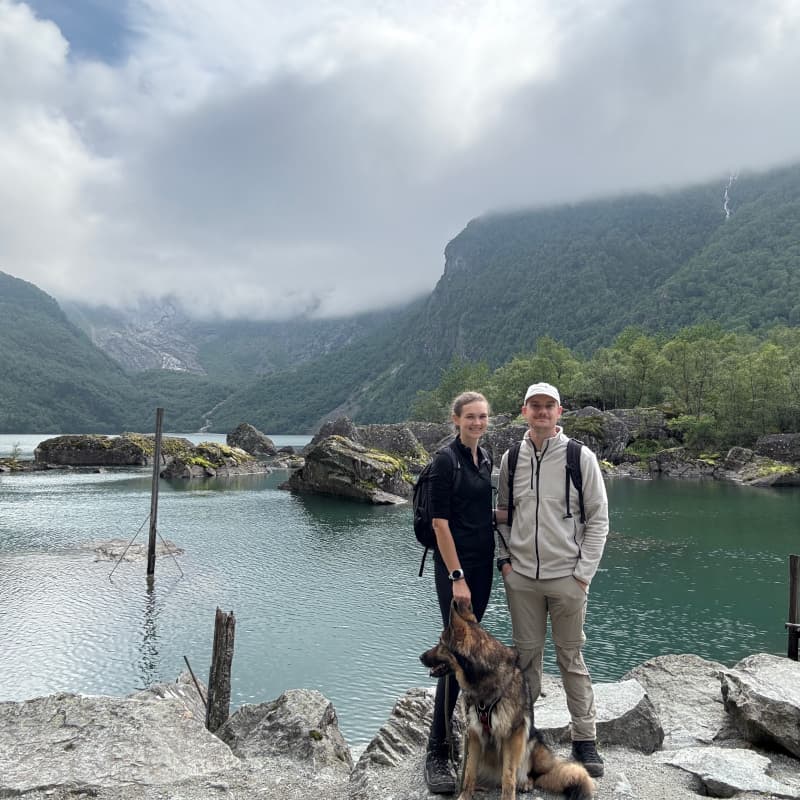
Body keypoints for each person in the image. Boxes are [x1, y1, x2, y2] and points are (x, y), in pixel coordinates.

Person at [494, 382, 609, 778]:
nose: (542, 412)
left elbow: (598, 521)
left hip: (568, 580)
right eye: (535, 406)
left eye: (549, 406)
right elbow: (503, 517)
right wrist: (507, 563)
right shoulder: (512, 458)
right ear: (523, 411)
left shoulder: (580, 457)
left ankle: (585, 740)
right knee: (526, 664)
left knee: (572, 659)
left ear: (560, 412)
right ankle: (524, 739)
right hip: (522, 579)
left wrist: (582, 575)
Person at [425, 391, 495, 795]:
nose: (477, 422)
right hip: (457, 573)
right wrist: (456, 575)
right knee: (456, 655)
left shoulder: (483, 458)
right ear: (455, 419)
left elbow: (480, 513)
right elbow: (440, 524)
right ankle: (438, 750)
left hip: (482, 568)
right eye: (470, 416)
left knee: (468, 653)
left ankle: (460, 739)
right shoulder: (445, 461)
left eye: (483, 417)